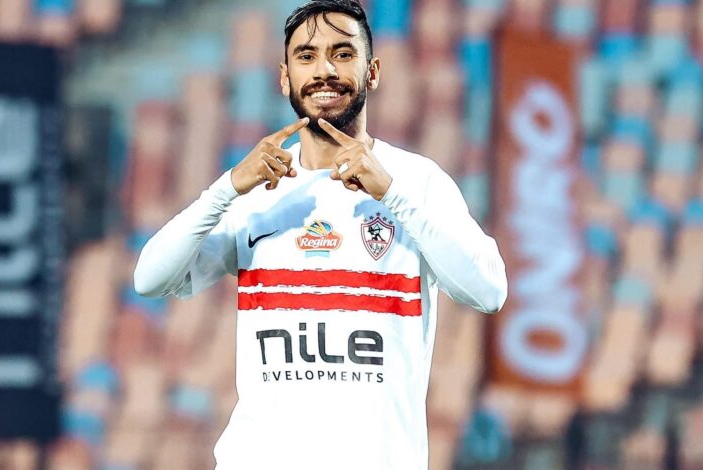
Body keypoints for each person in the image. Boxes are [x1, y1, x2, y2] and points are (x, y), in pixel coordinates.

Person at [134, 0, 507, 468]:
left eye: (343, 54)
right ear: (284, 77)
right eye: (306, 56)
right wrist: (226, 188)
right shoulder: (256, 191)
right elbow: (149, 279)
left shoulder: (417, 181)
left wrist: (391, 194)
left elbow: (488, 291)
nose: (324, 70)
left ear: (372, 72)